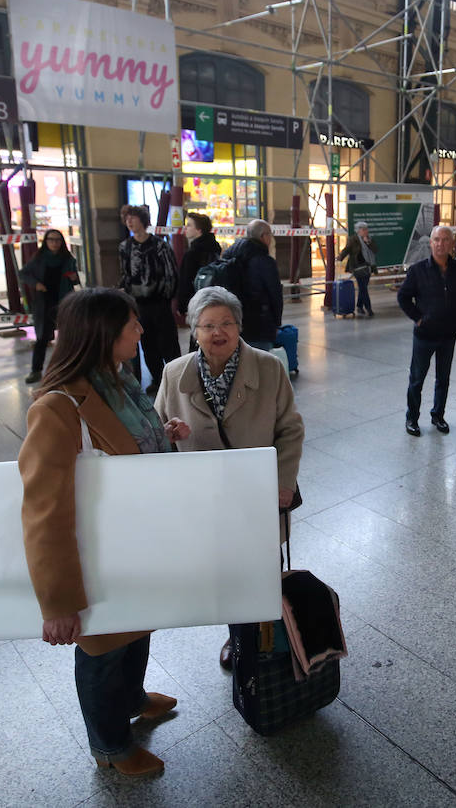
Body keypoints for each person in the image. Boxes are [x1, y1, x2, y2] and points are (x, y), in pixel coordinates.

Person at [18, 288, 179, 779]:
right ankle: (109, 745)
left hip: (136, 544)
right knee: (103, 649)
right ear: (104, 333)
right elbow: (44, 509)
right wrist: (58, 602)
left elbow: (124, 448)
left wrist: (160, 436)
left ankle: (131, 699)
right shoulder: (59, 407)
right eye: (132, 324)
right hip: (97, 557)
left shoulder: (120, 380)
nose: (141, 330)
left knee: (137, 629)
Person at [154, 286, 305, 668]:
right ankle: (237, 636)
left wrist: (284, 482)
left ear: (239, 326)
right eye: (207, 325)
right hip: (204, 496)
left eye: (225, 323)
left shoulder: (269, 367)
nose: (216, 333)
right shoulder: (175, 373)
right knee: (223, 567)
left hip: (257, 492)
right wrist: (169, 434)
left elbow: (291, 429)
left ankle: (270, 634)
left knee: (261, 565)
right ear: (193, 329)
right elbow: (155, 431)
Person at [397, 225, 456, 436]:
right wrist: (419, 319)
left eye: (446, 240)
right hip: (425, 336)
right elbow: (403, 297)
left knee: (443, 379)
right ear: (431, 243)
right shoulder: (418, 270)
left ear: (452, 244)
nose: (441, 244)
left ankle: (438, 415)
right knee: (417, 379)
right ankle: (412, 418)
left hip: (448, 336)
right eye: (437, 240)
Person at [118, 205, 180, 394]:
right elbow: (124, 274)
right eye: (127, 218)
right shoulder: (125, 247)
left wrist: (167, 296)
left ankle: (177, 380)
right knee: (147, 343)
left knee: (168, 343)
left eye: (133, 217)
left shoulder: (159, 245)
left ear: (143, 220)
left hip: (160, 302)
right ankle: (157, 378)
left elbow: (171, 273)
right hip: (138, 304)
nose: (130, 221)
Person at [20, 229, 80, 383]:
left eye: (58, 240)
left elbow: (75, 281)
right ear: (46, 242)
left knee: (67, 337)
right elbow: (23, 273)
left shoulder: (68, 259)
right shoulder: (39, 259)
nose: (54, 243)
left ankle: (67, 369)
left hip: (64, 301)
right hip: (44, 302)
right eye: (51, 240)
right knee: (42, 338)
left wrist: (74, 278)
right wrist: (36, 284)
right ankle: (36, 370)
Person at [221, 218, 283, 352]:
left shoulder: (229, 255)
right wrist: (277, 322)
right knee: (261, 365)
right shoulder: (265, 261)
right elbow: (275, 294)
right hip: (260, 322)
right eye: (270, 235)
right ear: (263, 237)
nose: (271, 239)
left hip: (234, 319)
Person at [176, 212, 222, 352]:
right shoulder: (215, 248)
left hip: (196, 303)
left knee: (197, 341)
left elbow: (185, 280)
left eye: (189, 225)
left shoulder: (192, 253)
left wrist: (182, 306)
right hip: (214, 300)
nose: (185, 228)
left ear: (199, 230)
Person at [338, 221, 379, 317]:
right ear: (358, 231)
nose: (366, 231)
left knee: (362, 288)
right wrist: (340, 257)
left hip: (368, 267)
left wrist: (368, 242)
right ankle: (368, 308)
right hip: (357, 267)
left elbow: (375, 250)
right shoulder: (353, 239)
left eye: (366, 229)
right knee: (363, 288)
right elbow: (347, 249)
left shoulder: (369, 239)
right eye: (363, 229)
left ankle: (359, 306)